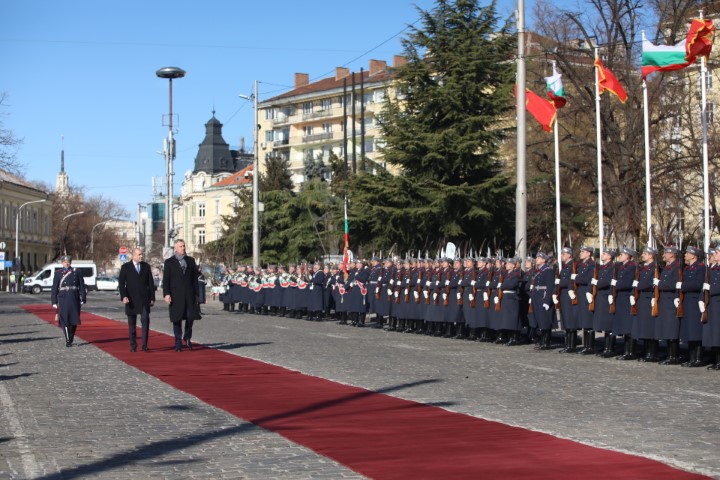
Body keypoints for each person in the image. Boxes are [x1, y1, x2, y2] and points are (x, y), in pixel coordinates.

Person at [162, 239, 201, 352]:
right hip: (176, 295)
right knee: (177, 319)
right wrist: (166, 294)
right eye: (180, 246)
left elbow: (194, 279)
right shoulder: (169, 262)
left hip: (189, 294)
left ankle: (187, 336)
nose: (183, 248)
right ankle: (178, 342)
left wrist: (197, 294)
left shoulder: (191, 260)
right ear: (176, 248)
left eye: (183, 246)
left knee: (190, 317)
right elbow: (166, 280)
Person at [119, 248, 156, 352]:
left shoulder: (146, 266)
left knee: (145, 320)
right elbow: (121, 284)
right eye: (139, 254)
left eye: (142, 254)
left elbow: (151, 283)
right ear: (133, 255)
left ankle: (144, 344)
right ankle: (133, 345)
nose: (141, 256)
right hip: (131, 300)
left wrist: (152, 298)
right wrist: (124, 296)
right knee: (132, 324)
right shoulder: (125, 267)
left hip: (144, 299)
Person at [51, 255, 86, 347]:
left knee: (74, 319)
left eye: (68, 262)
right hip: (64, 297)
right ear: (62, 263)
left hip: (74, 297)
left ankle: (71, 337)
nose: (67, 263)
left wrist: (83, 298)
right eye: (65, 262)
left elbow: (82, 286)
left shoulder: (77, 271)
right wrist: (54, 301)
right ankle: (68, 340)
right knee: (64, 318)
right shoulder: (58, 273)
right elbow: (54, 288)